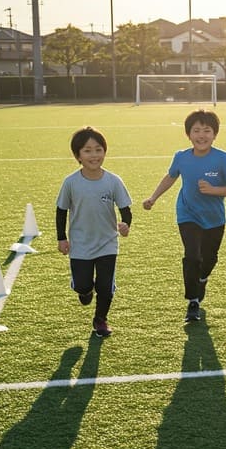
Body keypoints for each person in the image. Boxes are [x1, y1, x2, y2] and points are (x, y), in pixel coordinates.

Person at [143, 109, 226, 323]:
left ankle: (203, 278)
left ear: (214, 134)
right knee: (192, 256)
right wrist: (153, 197)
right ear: (189, 134)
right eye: (196, 130)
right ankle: (193, 301)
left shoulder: (223, 159)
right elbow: (170, 177)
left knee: (209, 259)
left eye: (207, 130)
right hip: (187, 214)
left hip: (214, 218)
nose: (201, 135)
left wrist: (214, 190)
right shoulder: (181, 157)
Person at [56, 126, 132, 338]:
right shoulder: (71, 182)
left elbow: (125, 209)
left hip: (107, 242)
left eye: (98, 149)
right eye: (87, 150)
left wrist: (126, 224)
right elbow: (61, 211)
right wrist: (62, 238)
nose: (94, 155)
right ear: (78, 155)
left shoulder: (113, 181)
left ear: (104, 152)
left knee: (105, 287)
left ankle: (100, 320)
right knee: (83, 285)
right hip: (80, 243)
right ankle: (84, 290)